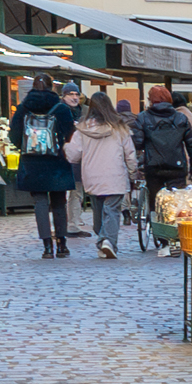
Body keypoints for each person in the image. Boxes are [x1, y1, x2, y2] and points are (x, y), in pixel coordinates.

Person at [8, 73, 77, 257]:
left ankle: (47, 245)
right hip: (57, 161)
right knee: (59, 203)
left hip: (33, 163)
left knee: (39, 202)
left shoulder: (23, 108)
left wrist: (26, 148)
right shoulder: (61, 108)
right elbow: (70, 134)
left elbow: (13, 135)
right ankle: (62, 243)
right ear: (51, 87)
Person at [64, 91, 140, 259]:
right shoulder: (120, 128)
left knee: (98, 211)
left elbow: (74, 155)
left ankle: (102, 239)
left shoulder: (82, 129)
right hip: (115, 175)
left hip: (92, 176)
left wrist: (65, 147)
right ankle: (108, 241)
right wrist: (133, 172)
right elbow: (130, 153)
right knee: (112, 210)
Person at [130, 84, 192, 224]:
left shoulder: (143, 118)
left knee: (155, 202)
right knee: (177, 202)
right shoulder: (181, 118)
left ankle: (159, 233)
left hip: (153, 167)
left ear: (151, 100)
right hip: (177, 167)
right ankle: (174, 231)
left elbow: (137, 143)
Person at [59, 82, 88, 237]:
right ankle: (62, 224)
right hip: (61, 158)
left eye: (77, 94)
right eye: (71, 94)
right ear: (64, 95)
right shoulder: (58, 110)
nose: (74, 97)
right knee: (62, 193)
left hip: (79, 158)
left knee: (77, 192)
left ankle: (73, 225)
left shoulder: (85, 112)